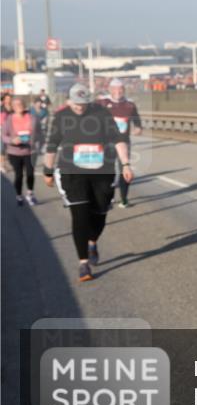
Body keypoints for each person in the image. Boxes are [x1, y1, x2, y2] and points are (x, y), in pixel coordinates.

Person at [43, 83, 133, 282]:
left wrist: (126, 164)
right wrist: (48, 170)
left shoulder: (101, 113)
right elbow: (51, 145)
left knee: (100, 214)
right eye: (76, 104)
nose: (80, 108)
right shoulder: (61, 116)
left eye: (83, 104)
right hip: (72, 173)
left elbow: (118, 139)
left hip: (102, 172)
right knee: (80, 215)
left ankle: (92, 241)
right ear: (69, 101)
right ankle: (83, 263)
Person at [97, 78, 143, 208]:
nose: (118, 91)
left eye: (121, 89)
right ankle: (109, 196)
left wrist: (138, 127)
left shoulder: (130, 105)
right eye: (115, 89)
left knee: (125, 169)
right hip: (106, 142)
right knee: (108, 170)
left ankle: (124, 199)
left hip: (124, 141)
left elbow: (136, 118)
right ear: (110, 90)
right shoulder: (102, 102)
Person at [2, 97, 38, 205]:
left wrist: (36, 142)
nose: (19, 106)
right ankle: (18, 196)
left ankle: (30, 194)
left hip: (30, 151)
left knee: (30, 174)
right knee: (19, 175)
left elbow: (40, 133)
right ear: (12, 107)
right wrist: (12, 140)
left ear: (24, 104)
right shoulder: (9, 119)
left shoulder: (32, 118)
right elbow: (3, 135)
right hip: (15, 152)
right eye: (16, 104)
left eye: (20, 104)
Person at [1, 92, 12, 173]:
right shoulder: (2, 108)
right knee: (2, 148)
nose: (8, 100)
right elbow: (1, 121)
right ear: (4, 100)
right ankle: (2, 165)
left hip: (11, 131)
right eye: (7, 99)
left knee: (9, 148)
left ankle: (4, 163)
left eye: (9, 98)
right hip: (2, 130)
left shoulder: (12, 108)